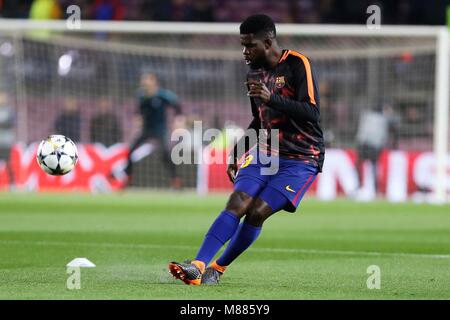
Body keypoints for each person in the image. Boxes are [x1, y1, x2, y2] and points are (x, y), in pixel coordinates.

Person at [169, 14, 325, 285]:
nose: (244, 52)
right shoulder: (253, 73)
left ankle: (217, 268)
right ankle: (196, 266)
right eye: (242, 45)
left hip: (302, 158)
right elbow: (260, 118)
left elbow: (312, 113)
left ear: (267, 43)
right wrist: (237, 151)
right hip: (267, 148)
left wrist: (272, 97)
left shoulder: (298, 64)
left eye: (249, 46)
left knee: (258, 211)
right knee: (238, 202)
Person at [119, 72, 184, 189]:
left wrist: (178, 120)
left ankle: (175, 179)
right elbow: (138, 111)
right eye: (143, 80)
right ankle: (128, 178)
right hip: (146, 130)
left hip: (160, 130)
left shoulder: (163, 95)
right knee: (130, 151)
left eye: (147, 79)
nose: (144, 82)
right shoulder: (141, 96)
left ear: (154, 81)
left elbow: (177, 106)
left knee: (165, 154)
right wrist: (138, 119)